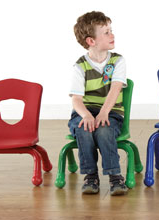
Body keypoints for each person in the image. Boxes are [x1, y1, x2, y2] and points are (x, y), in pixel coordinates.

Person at [69, 11, 128, 195]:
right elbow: (76, 99)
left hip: (110, 112)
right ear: (91, 41)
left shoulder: (117, 61)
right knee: (84, 128)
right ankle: (90, 176)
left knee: (104, 129)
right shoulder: (80, 66)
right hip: (85, 111)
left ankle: (115, 176)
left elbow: (115, 88)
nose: (112, 35)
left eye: (111, 30)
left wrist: (103, 113)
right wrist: (86, 115)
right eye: (106, 32)